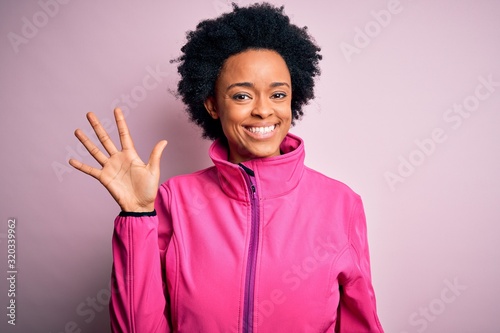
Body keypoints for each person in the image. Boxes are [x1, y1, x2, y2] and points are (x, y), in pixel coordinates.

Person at [69, 3, 384, 332]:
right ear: (213, 105)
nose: (263, 111)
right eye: (242, 96)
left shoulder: (341, 205)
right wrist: (136, 216)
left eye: (278, 94)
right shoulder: (173, 201)